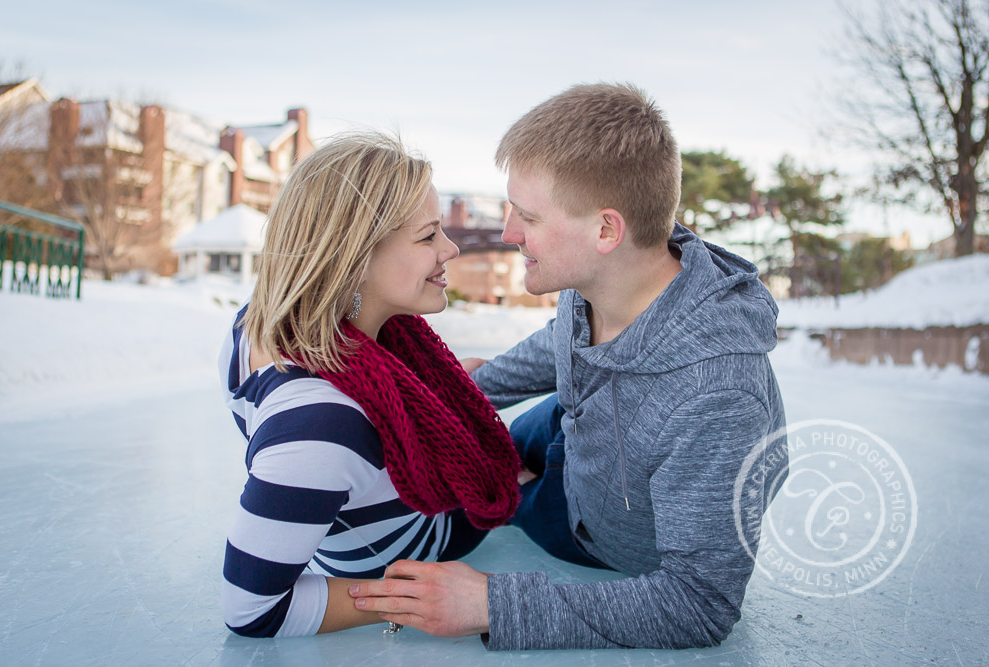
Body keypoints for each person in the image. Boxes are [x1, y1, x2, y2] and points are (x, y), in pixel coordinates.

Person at [349, 83, 788, 650]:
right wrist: (461, 390)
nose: (508, 233)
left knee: (493, 494)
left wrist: (491, 604)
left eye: (526, 216)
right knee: (479, 438)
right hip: (572, 427)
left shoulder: (717, 399)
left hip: (595, 526)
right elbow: (563, 338)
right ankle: (517, 460)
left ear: (607, 229)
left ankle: (525, 486)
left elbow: (700, 604)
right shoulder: (602, 275)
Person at [217, 132, 520, 638]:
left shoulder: (257, 324)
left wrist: (423, 396)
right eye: (427, 236)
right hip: (422, 538)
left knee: (553, 424)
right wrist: (405, 600)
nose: (450, 248)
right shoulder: (319, 425)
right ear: (353, 258)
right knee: (560, 439)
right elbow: (251, 610)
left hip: (393, 509)